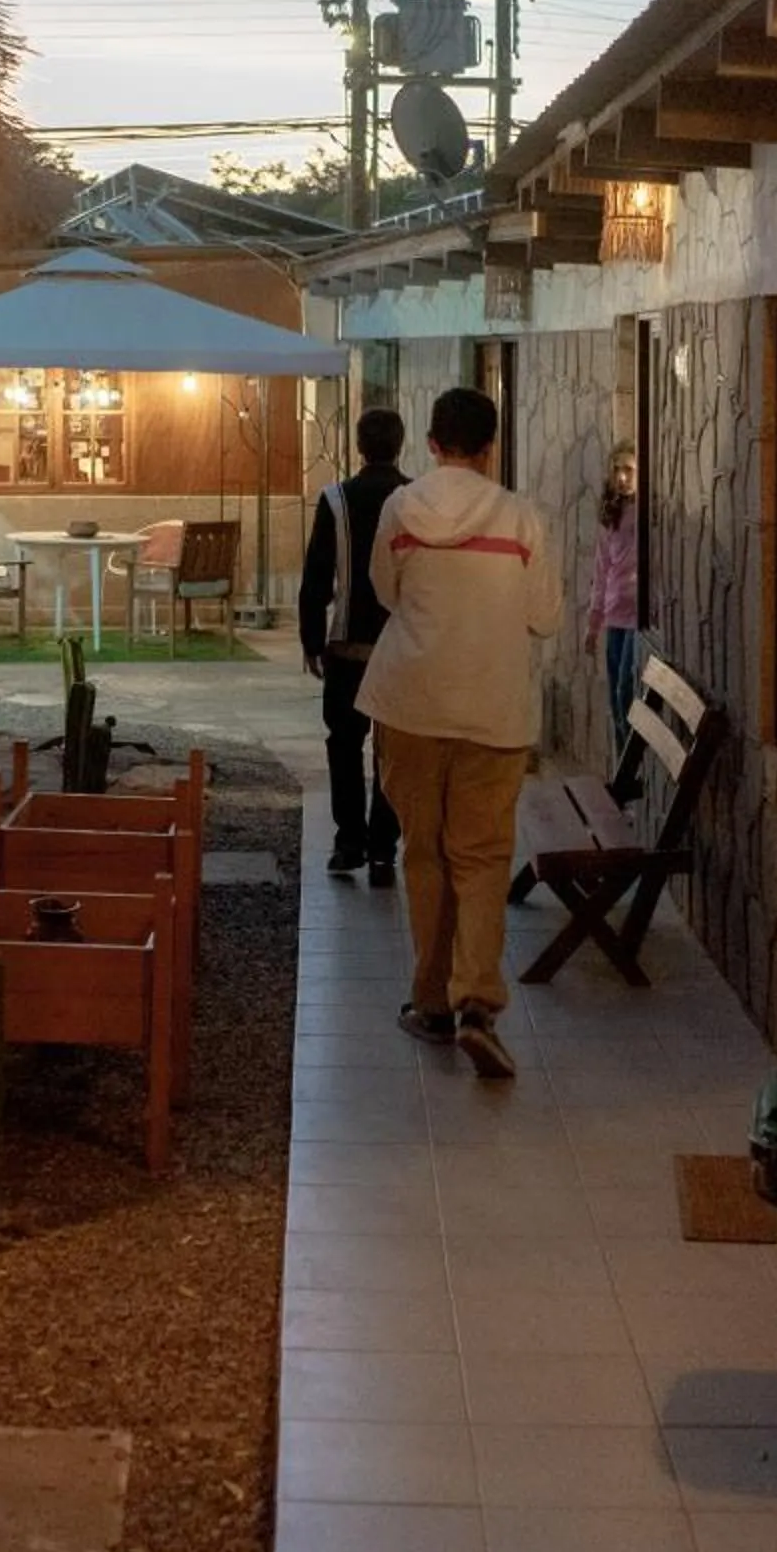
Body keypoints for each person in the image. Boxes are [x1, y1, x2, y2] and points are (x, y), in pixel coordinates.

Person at [357, 387, 561, 1082]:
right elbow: (546, 617)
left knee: (426, 853)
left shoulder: (401, 509)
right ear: (490, 447)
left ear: (433, 445)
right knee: (480, 858)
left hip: (411, 704)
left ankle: (429, 1000)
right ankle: (476, 1003)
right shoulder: (522, 518)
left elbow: (386, 592)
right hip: (495, 712)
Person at [298, 407, 408, 883]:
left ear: (359, 447)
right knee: (393, 750)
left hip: (346, 648)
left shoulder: (336, 500)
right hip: (403, 650)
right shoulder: (415, 499)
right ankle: (384, 847)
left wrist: (311, 639)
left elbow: (316, 575)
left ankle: (348, 844)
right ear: (400, 444)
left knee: (344, 745)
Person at [585, 441, 641, 747]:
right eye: (617, 469)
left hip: (637, 616)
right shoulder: (612, 514)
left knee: (625, 690)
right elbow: (601, 568)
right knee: (615, 700)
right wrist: (593, 626)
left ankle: (628, 775)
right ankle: (623, 772)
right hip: (614, 614)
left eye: (629, 470)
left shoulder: (646, 513)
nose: (622, 477)